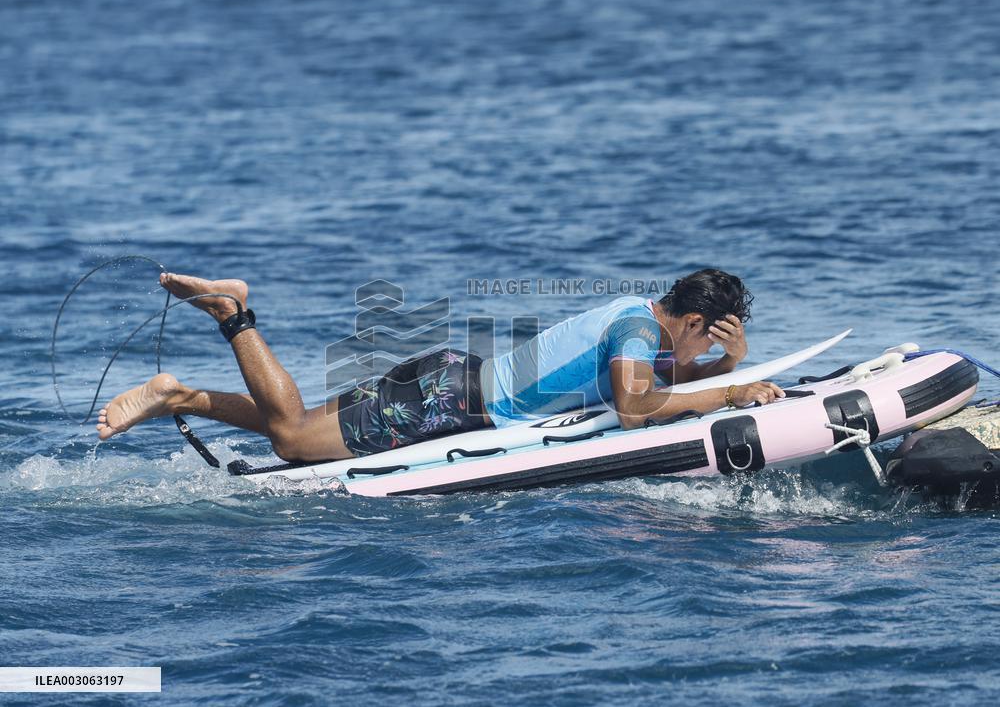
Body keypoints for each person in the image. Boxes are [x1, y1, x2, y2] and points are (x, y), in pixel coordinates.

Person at [96, 268, 784, 462]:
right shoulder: (639, 333)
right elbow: (636, 407)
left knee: (298, 426)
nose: (692, 356)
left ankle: (177, 396)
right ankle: (232, 314)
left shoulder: (639, 314)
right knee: (294, 440)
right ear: (691, 319)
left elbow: (643, 388)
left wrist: (723, 365)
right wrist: (732, 389)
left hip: (451, 380)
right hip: (449, 400)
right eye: (707, 338)